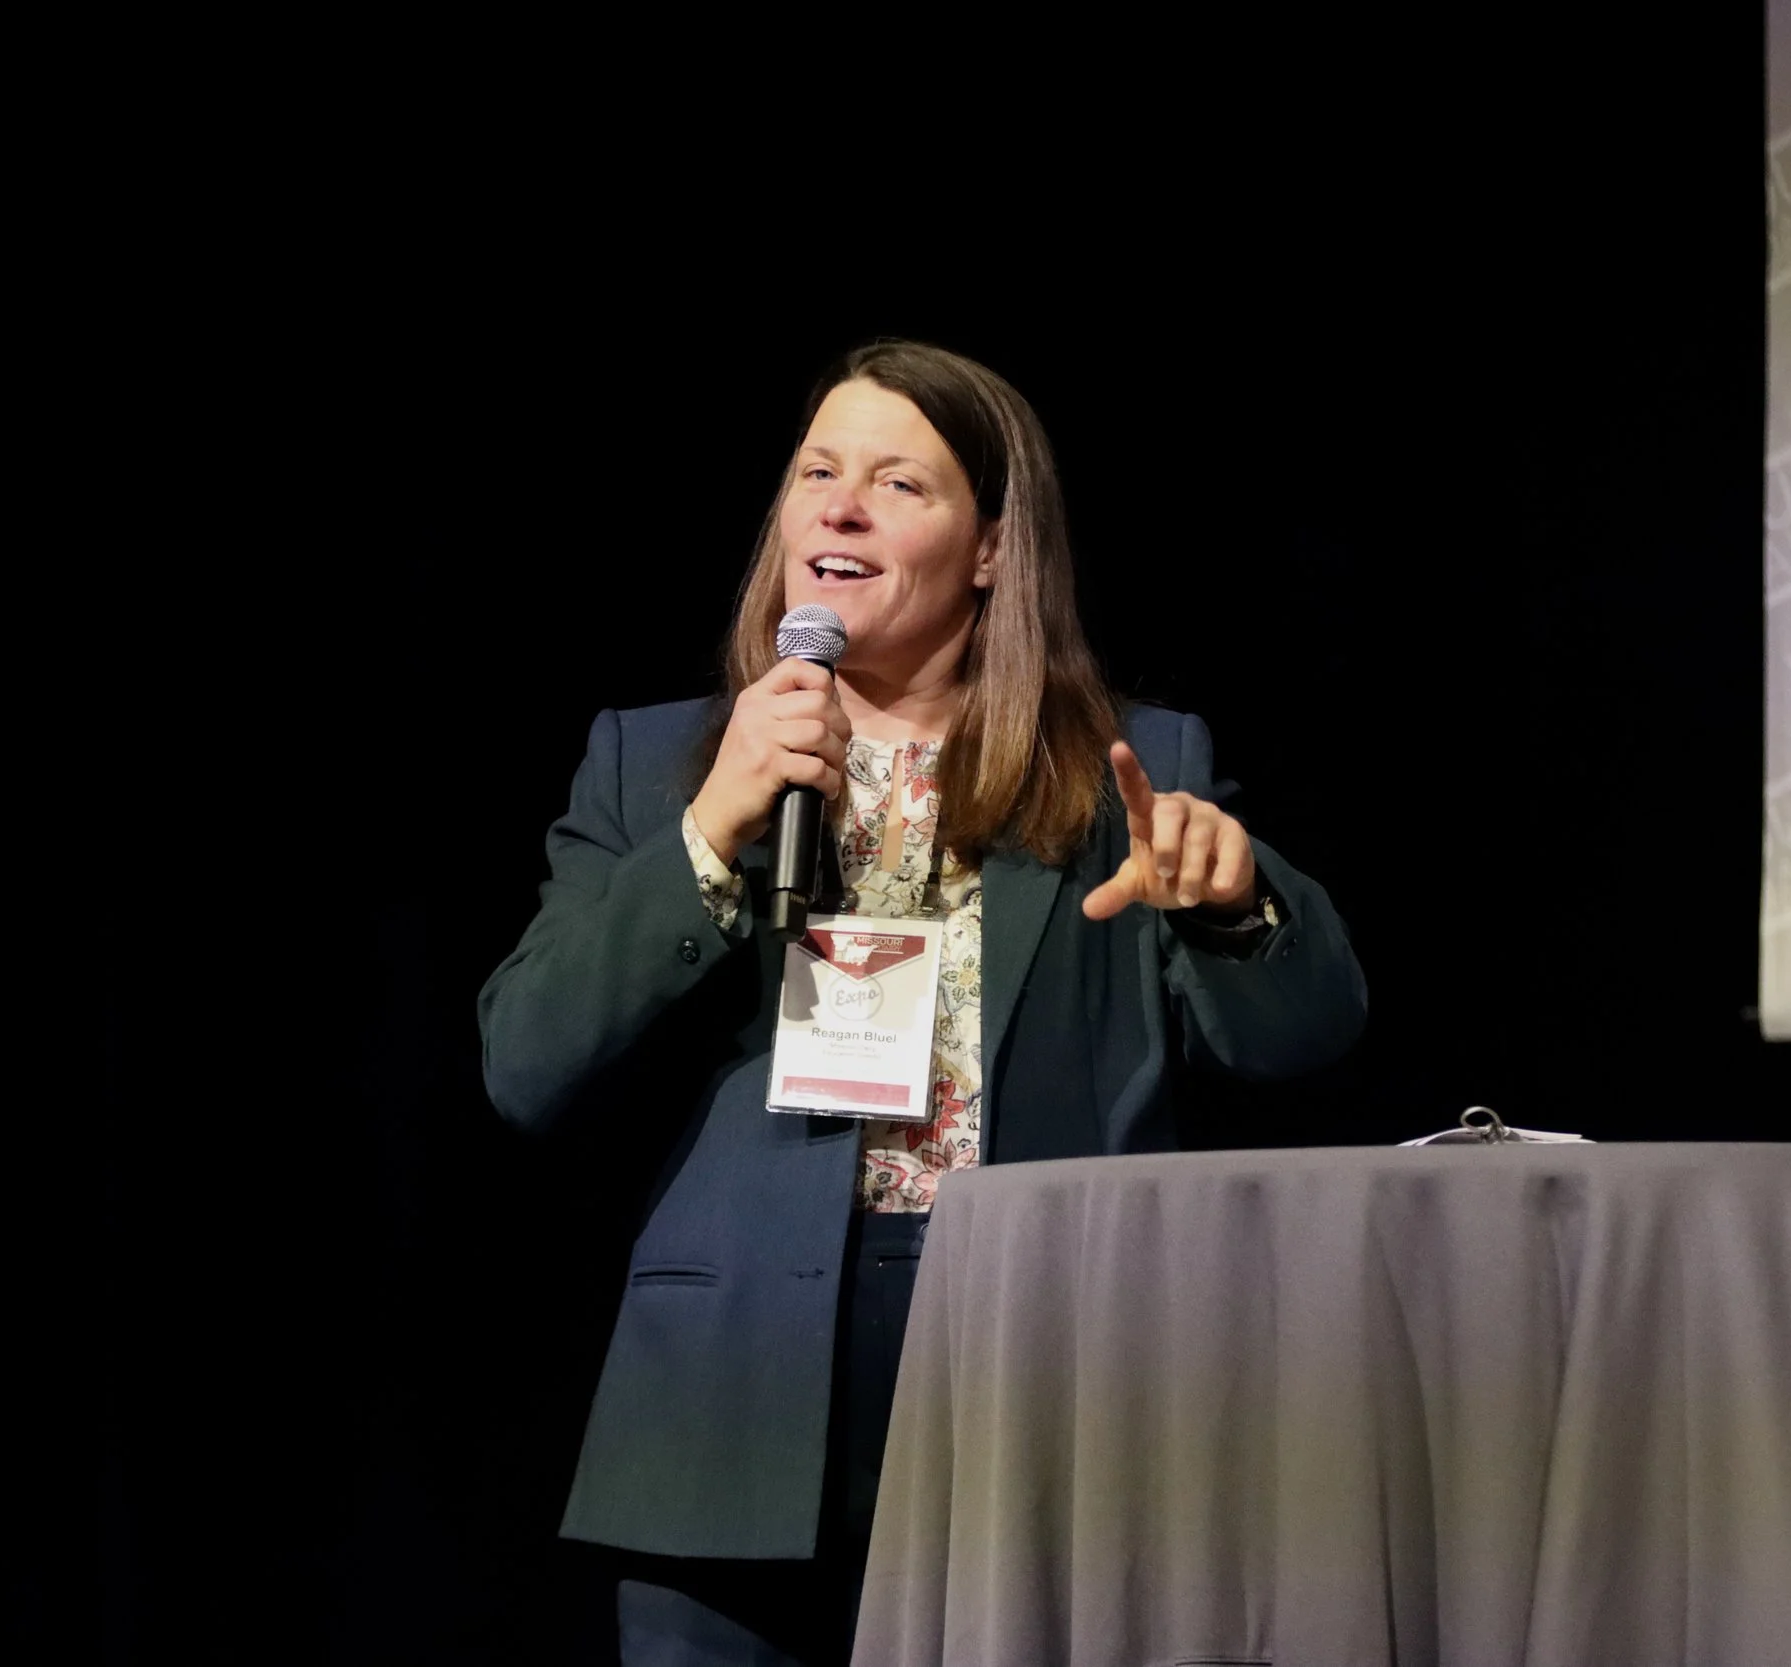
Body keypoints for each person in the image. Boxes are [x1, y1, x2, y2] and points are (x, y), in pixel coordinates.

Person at [477, 339, 1368, 1666]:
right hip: (733, 1395)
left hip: (1041, 1371)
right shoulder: (658, 762)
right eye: (817, 472)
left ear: (995, 549)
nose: (839, 506)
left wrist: (1232, 903)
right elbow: (527, 1062)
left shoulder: (1132, 763)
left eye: (900, 482)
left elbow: (1311, 1038)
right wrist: (714, 829)